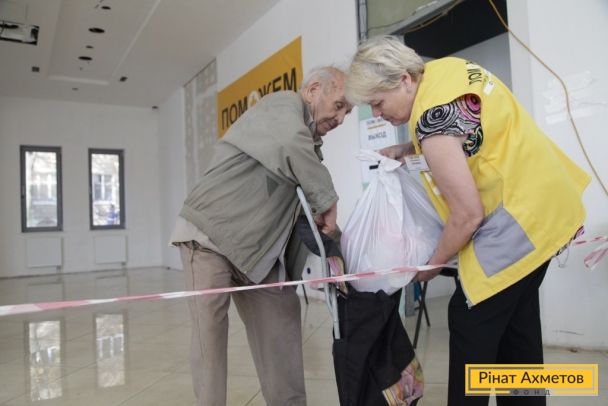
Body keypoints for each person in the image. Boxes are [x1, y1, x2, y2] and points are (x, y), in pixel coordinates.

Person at [345, 35, 590, 406]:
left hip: (517, 228)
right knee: (517, 333)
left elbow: (467, 216)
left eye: (377, 102)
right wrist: (409, 148)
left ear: (404, 80)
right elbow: (466, 130)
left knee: (468, 320)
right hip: (548, 209)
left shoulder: (430, 122)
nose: (377, 114)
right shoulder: (449, 71)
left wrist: (431, 265)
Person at [170, 66, 352, 406]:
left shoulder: (309, 149)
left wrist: (338, 248)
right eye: (339, 105)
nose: (341, 118)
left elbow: (300, 213)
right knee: (210, 337)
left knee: (281, 326)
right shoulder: (283, 106)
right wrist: (327, 199)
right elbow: (290, 145)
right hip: (209, 236)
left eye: (348, 112)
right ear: (313, 89)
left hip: (258, 252)